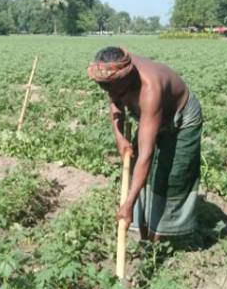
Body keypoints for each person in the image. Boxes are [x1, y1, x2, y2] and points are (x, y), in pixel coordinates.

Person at [87, 46, 203, 241]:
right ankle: (140, 223)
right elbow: (114, 102)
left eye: (110, 86)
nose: (107, 91)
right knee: (133, 166)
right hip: (152, 115)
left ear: (125, 78)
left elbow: (146, 155)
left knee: (172, 175)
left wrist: (128, 202)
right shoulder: (114, 78)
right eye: (103, 86)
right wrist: (119, 136)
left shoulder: (150, 90)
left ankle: (164, 236)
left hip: (182, 118)